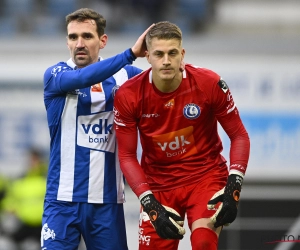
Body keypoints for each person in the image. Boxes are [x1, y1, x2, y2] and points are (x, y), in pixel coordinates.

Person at [113, 21, 250, 250]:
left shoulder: (209, 83)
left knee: (204, 243)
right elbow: (126, 155)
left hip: (205, 177)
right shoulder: (129, 95)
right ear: (147, 56)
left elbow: (239, 135)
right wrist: (150, 204)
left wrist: (234, 185)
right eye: (158, 54)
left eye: (172, 53)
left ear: (182, 54)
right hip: (158, 186)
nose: (166, 61)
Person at [42, 8, 154, 250]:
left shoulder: (128, 76)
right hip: (61, 202)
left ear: (103, 40)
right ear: (67, 41)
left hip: (107, 203)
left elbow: (163, 84)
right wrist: (130, 54)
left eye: (87, 36)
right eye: (73, 37)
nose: (79, 43)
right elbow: (82, 79)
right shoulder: (56, 75)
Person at [1, 148, 47, 250]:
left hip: (44, 224)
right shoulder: (20, 181)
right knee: (8, 241)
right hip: (25, 223)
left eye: (35, 160)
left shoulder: (48, 180)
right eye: (30, 160)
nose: (32, 163)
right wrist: (10, 207)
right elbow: (11, 199)